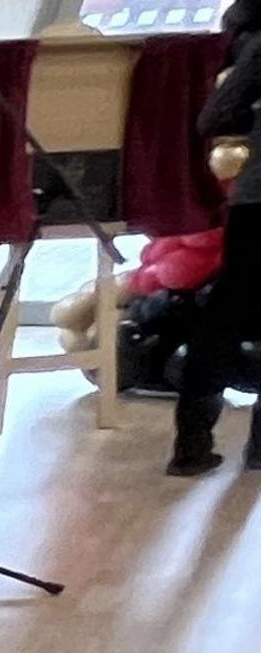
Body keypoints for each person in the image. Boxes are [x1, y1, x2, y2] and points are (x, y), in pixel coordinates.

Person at [172, 0, 261, 476]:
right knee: (226, 316)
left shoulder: (250, 43)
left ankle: (191, 444)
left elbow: (217, 118)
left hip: (255, 197)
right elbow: (214, 118)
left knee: (224, 315)